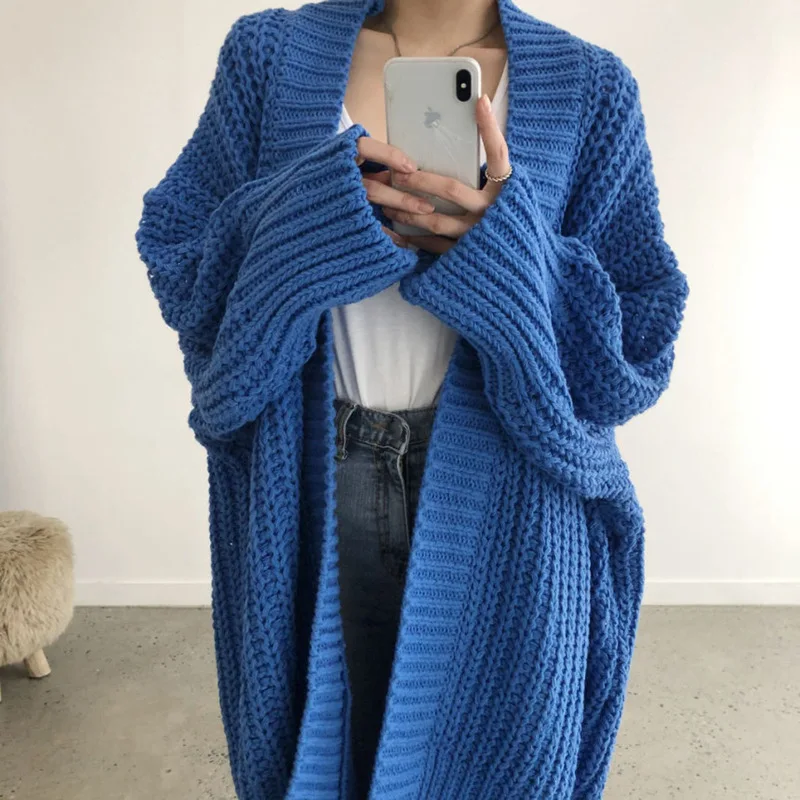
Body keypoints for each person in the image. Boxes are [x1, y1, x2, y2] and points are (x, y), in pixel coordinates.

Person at [135, 0, 689, 798]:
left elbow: (636, 345)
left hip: (514, 505)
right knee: (320, 760)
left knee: (499, 767)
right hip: (309, 483)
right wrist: (312, 212)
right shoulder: (270, 54)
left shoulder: (589, 85)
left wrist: (509, 246)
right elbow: (184, 265)